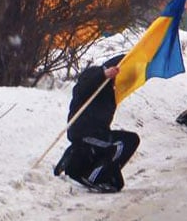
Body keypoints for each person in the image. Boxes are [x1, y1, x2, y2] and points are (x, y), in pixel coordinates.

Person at [53, 55, 140, 192]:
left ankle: (73, 159)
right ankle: (93, 178)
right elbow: (81, 88)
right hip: (84, 132)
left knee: (117, 184)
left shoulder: (110, 90)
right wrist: (104, 75)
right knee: (126, 142)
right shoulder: (95, 74)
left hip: (99, 134)